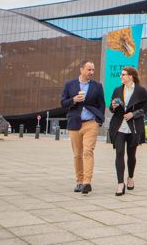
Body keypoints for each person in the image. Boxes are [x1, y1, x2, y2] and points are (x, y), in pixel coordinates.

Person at [60, 60, 105, 195]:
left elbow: (101, 104)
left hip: (91, 123)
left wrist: (98, 120)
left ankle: (87, 182)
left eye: (93, 70)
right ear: (81, 70)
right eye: (89, 69)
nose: (91, 72)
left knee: (88, 152)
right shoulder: (70, 85)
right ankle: (79, 181)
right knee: (77, 155)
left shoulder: (97, 86)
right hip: (74, 123)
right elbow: (63, 102)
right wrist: (74, 100)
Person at [109, 67, 147, 196]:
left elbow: (146, 108)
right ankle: (120, 184)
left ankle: (130, 177)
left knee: (131, 156)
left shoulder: (140, 91)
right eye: (121, 75)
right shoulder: (117, 90)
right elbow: (111, 107)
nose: (121, 77)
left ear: (130, 76)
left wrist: (133, 113)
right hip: (119, 126)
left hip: (134, 128)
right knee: (119, 153)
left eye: (123, 74)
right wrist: (113, 106)